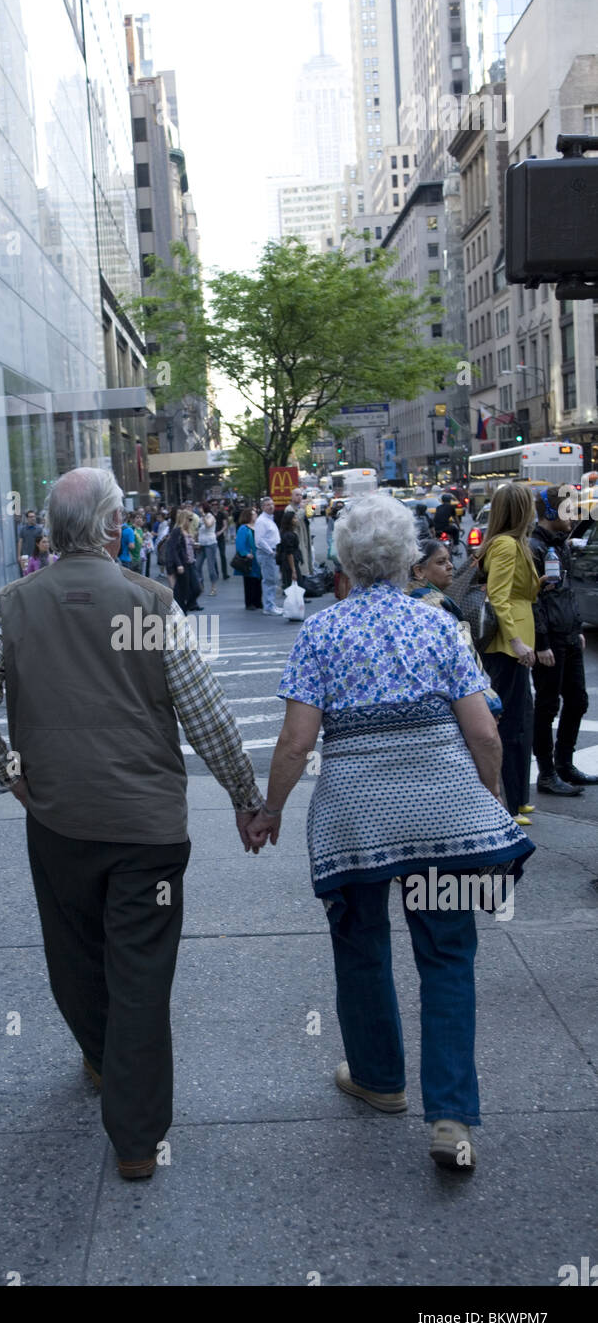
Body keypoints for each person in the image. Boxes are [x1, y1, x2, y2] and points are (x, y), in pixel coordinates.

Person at [0, 467, 264, 1180]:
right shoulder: (148, 603)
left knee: (75, 956)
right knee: (142, 974)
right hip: (147, 830)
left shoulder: (15, 604)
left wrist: (12, 774)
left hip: (59, 821)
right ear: (113, 526)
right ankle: (136, 1139)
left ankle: (99, 1054)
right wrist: (246, 797)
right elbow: (205, 715)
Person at [247, 495, 534, 1171]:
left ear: (343, 561)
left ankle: (380, 1080)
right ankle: (453, 1119)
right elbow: (484, 729)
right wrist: (483, 797)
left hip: (356, 818)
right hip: (445, 816)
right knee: (446, 957)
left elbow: (294, 742)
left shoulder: (321, 632)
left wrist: (272, 810)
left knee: (362, 944)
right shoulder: (439, 627)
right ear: (411, 558)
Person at [475, 483, 541, 824]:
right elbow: (499, 597)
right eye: (529, 505)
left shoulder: (512, 543)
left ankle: (518, 798)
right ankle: (509, 804)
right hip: (508, 645)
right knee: (510, 723)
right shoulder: (506, 545)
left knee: (520, 721)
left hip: (516, 641)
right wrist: (516, 641)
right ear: (521, 510)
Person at [529, 486, 595, 790]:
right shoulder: (535, 547)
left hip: (568, 635)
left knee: (578, 700)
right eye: (568, 509)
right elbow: (535, 598)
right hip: (550, 639)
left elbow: (566, 592)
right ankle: (546, 773)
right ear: (552, 512)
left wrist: (577, 628)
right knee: (547, 704)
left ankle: (564, 765)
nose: (574, 516)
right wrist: (541, 642)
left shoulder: (560, 544)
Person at [406, 540, 501, 716]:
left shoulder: (412, 600)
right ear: (419, 571)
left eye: (449, 560)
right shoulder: (437, 608)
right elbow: (465, 657)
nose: (450, 566)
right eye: (441, 562)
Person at [255, 496, 282, 615]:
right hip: (267, 554)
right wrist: (270, 552)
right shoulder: (262, 521)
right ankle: (269, 607)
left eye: (272, 504)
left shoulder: (269, 519)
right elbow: (259, 540)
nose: (271, 506)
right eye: (267, 505)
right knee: (269, 580)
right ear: (262, 507)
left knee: (272, 580)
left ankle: (271, 604)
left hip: (271, 552)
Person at [235, 507, 262, 610]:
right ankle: (250, 602)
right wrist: (245, 553)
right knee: (249, 581)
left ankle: (258, 601)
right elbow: (239, 543)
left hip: (257, 557)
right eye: (253, 514)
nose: (256, 515)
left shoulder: (257, 526)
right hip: (249, 558)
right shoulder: (243, 528)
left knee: (258, 580)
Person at [279, 507, 303, 588]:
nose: (296, 520)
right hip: (290, 563)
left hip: (291, 562)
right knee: (294, 583)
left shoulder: (288, 533)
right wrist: (293, 570)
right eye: (294, 518)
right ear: (290, 520)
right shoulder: (288, 535)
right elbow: (289, 553)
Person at [197, 511, 220, 595]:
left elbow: (208, 525)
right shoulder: (199, 519)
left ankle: (213, 588)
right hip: (201, 544)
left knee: (211, 566)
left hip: (210, 543)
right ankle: (201, 585)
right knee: (197, 565)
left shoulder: (211, 517)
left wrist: (203, 516)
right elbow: (198, 530)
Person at [213, 502, 230, 580]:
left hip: (220, 537)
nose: (215, 506)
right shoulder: (209, 514)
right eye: (213, 505)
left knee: (222, 555)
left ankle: (225, 573)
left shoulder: (221, 514)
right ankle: (215, 573)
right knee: (213, 556)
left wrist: (220, 532)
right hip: (212, 538)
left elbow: (225, 525)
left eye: (216, 505)